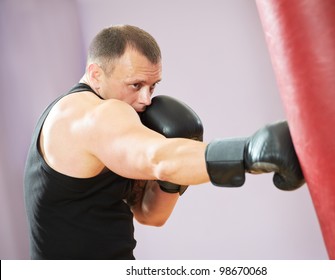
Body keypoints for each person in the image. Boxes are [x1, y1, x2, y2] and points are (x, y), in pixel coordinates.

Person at [23, 25, 305, 260]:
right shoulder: (92, 114)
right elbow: (158, 159)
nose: (146, 99)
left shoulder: (106, 121)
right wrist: (249, 153)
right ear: (96, 74)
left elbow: (150, 215)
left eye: (153, 86)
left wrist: (174, 178)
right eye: (135, 85)